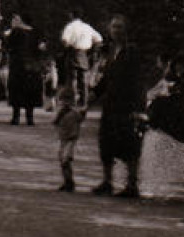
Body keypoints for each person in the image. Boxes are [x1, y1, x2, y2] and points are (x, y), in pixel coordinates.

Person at [89, 14, 146, 198]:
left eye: (120, 27)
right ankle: (107, 182)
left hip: (127, 105)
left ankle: (132, 185)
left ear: (126, 30)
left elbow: (138, 81)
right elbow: (106, 78)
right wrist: (93, 95)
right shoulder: (112, 50)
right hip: (110, 105)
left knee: (129, 145)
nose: (116, 30)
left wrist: (139, 108)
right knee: (106, 143)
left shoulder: (132, 52)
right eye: (113, 27)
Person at [4, 12, 45, 125]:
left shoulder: (16, 32)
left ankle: (15, 117)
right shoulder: (36, 32)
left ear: (21, 20)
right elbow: (41, 48)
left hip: (18, 65)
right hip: (33, 66)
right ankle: (30, 118)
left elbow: (8, 46)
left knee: (16, 90)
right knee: (30, 91)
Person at [60, 11, 103, 106]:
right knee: (83, 80)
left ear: (71, 15)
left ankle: (73, 101)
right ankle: (84, 102)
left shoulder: (70, 27)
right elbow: (99, 39)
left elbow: (65, 40)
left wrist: (67, 48)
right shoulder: (87, 27)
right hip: (84, 54)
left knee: (72, 79)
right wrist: (94, 51)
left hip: (73, 52)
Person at [52, 80, 86, 191]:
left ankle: (69, 181)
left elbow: (80, 119)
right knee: (62, 160)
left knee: (66, 160)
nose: (65, 103)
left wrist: (83, 113)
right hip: (63, 139)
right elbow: (55, 122)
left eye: (68, 100)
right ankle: (67, 180)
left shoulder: (74, 113)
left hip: (71, 139)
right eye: (63, 100)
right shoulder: (61, 112)